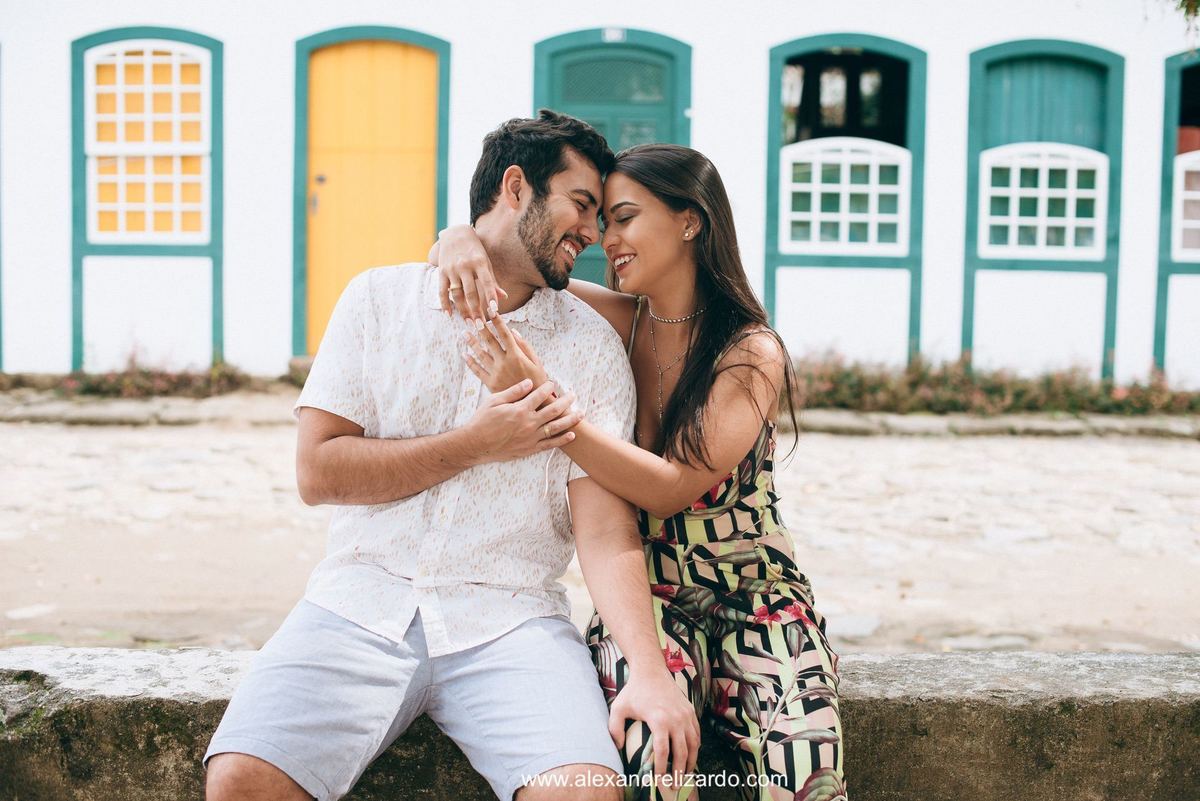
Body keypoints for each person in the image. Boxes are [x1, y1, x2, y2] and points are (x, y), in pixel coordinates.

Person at [202, 111, 699, 801]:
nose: (594, 233)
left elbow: (604, 528)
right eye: (582, 205)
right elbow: (317, 472)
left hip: (512, 619)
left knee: (585, 792)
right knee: (239, 779)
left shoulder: (590, 345)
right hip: (358, 598)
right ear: (517, 187)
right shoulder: (377, 299)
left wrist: (649, 670)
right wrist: (474, 445)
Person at [432, 142, 848, 801]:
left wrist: (540, 396)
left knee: (803, 780)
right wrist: (456, 237)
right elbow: (518, 265)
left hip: (757, 597)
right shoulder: (621, 323)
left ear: (690, 220)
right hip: (648, 603)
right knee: (656, 766)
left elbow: (669, 486)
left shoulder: (750, 352)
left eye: (624, 217)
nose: (605, 238)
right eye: (602, 219)